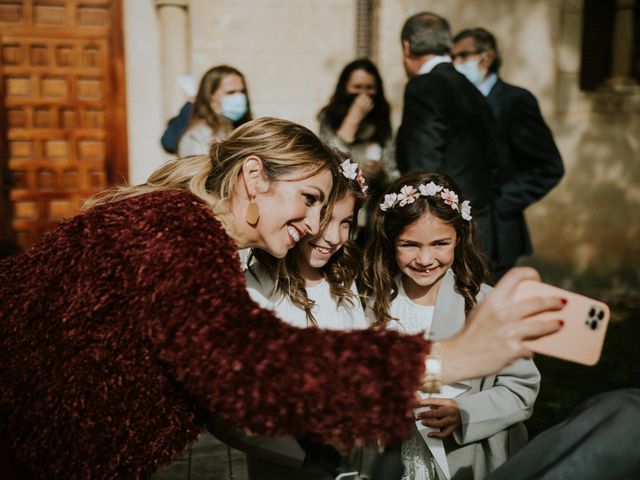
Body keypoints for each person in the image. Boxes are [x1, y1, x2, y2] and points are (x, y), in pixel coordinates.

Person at [0, 117, 564, 479]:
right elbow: (250, 368)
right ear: (253, 176)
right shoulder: (172, 228)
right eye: (310, 198)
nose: (315, 223)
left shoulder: (182, 229)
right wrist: (454, 357)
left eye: (328, 209)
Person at [361, 172, 540, 479]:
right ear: (391, 241)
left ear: (460, 237)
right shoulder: (372, 303)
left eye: (440, 243)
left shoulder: (487, 305)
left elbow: (521, 389)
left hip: (466, 462)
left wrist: (465, 415)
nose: (425, 258)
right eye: (410, 245)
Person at [212, 154, 373, 480]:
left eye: (345, 223)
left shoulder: (343, 282)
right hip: (288, 463)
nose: (333, 237)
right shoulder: (256, 287)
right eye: (326, 220)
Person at [452, 28, 564, 279]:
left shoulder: (515, 101)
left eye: (463, 55)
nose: (456, 63)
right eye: (453, 57)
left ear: (487, 56)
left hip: (499, 236)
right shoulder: (459, 101)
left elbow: (548, 167)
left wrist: (502, 204)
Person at [395, 12, 500, 259]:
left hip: (443, 232)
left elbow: (423, 168)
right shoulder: (473, 91)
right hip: (481, 224)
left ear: (406, 47)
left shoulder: (424, 86)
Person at [318, 59, 398, 196]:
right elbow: (329, 160)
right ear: (345, 88)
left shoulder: (381, 119)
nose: (363, 94)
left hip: (372, 200)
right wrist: (352, 119)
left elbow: (394, 173)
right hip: (341, 195)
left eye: (369, 87)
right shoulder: (329, 117)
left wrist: (381, 174)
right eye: (357, 87)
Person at [176, 65, 252, 157]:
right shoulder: (200, 137)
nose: (239, 97)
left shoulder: (241, 129)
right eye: (231, 92)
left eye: (242, 92)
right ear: (210, 96)